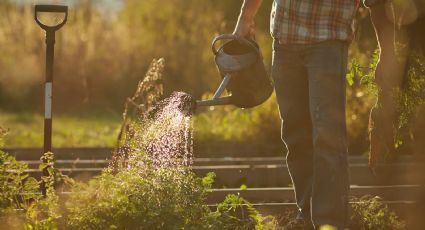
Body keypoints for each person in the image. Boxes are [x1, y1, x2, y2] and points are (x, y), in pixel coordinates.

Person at [233, 0, 359, 229]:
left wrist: (387, 57)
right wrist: (245, 17)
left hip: (328, 40)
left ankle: (330, 222)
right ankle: (308, 215)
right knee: (295, 136)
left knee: (327, 137)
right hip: (285, 40)